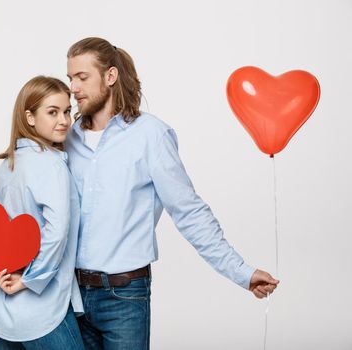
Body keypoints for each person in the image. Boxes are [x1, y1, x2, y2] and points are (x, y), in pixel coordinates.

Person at [64, 37, 280, 350]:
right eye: (70, 78)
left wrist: (241, 272)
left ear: (110, 77)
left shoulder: (150, 135)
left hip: (124, 297)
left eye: (82, 78)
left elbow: (189, 212)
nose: (73, 87)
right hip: (71, 297)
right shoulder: (67, 138)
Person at [0, 76, 85, 349]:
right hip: (42, 311)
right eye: (52, 112)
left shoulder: (5, 169)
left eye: (67, 111)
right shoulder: (52, 165)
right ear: (30, 117)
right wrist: (32, 279)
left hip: (2, 312)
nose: (64, 120)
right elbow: (57, 232)